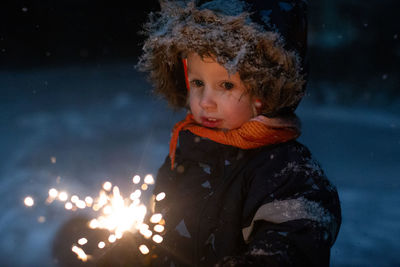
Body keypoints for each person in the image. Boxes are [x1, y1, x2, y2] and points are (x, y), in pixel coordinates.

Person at [98, 0, 341, 266]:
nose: (205, 101)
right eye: (198, 83)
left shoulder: (288, 172)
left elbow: (295, 248)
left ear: (266, 92)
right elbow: (162, 236)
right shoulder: (188, 152)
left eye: (226, 85)